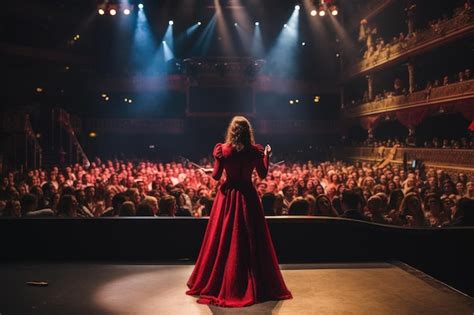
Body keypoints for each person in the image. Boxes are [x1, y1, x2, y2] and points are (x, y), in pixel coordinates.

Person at [186, 116, 292, 307]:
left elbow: (217, 176)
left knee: (224, 237)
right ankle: (252, 278)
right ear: (248, 131)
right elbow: (262, 174)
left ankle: (223, 278)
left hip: (228, 196)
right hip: (248, 195)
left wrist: (210, 170)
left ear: (231, 130)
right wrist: (267, 155)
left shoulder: (223, 150)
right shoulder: (255, 151)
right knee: (251, 237)